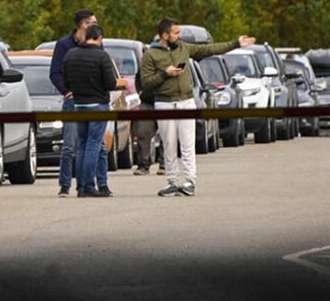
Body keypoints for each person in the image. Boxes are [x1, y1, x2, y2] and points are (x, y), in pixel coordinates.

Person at [140, 18, 255, 197]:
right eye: (176, 33)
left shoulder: (184, 48)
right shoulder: (150, 55)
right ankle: (171, 182)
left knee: (188, 143)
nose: (179, 36)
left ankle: (189, 181)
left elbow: (209, 49)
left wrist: (236, 43)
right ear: (165, 35)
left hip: (186, 101)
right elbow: (146, 83)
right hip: (164, 102)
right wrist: (165, 73)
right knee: (169, 143)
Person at [61, 24, 120, 198]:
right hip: (98, 105)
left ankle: (80, 186)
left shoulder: (70, 55)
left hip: (79, 105)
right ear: (99, 38)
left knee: (82, 146)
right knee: (94, 145)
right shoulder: (102, 56)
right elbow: (110, 83)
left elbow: (66, 81)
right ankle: (88, 186)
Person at [49, 8, 98, 196]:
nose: (96, 26)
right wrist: (66, 90)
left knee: (88, 146)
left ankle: (85, 184)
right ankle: (65, 184)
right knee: (69, 145)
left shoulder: (95, 44)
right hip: (73, 101)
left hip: (91, 100)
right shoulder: (64, 45)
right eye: (93, 23)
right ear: (83, 25)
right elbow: (55, 72)